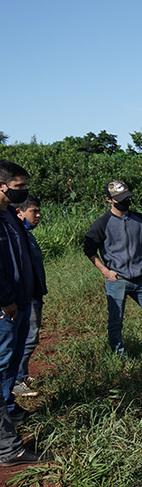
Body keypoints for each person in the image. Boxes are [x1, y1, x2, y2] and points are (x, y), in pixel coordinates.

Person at [83, 181, 142, 362]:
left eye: (127, 197)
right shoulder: (102, 223)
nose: (125, 201)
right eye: (120, 199)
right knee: (116, 321)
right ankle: (119, 357)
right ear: (109, 200)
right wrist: (106, 272)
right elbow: (89, 249)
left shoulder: (139, 219)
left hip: (140, 279)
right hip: (117, 279)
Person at [0, 160, 47, 466]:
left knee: (13, 359)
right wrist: (5, 299)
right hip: (6, 308)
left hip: (21, 302)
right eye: (19, 188)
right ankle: (7, 445)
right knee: (2, 361)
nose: (24, 192)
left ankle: (9, 405)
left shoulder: (9, 217)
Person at [12, 195, 47, 398]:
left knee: (29, 337)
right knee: (26, 338)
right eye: (34, 211)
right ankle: (16, 379)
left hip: (33, 295)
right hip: (23, 298)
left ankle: (21, 373)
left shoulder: (27, 236)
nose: (38, 215)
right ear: (19, 212)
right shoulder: (16, 237)